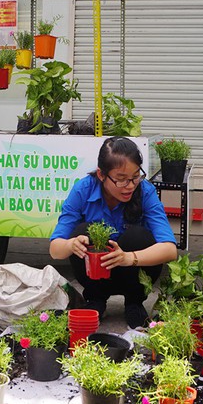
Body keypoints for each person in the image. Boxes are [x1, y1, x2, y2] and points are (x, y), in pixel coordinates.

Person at [49, 137, 178, 329]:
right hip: (96, 275)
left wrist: (128, 258)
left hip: (133, 274)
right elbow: (55, 249)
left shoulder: (145, 191)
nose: (130, 185)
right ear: (102, 174)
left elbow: (170, 250)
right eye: (121, 179)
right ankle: (95, 300)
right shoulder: (83, 190)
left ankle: (134, 302)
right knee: (81, 232)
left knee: (138, 237)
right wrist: (71, 244)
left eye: (135, 176)